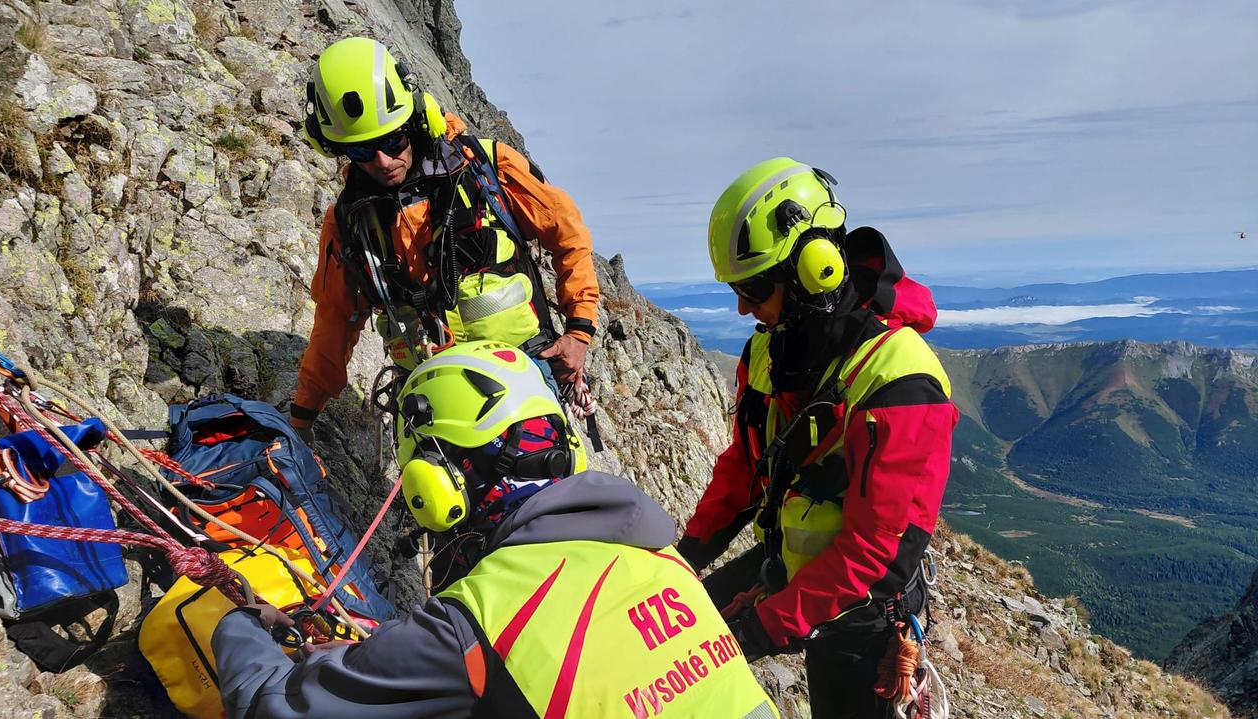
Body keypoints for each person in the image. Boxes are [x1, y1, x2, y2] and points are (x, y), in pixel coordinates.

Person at [212, 342, 780, 719]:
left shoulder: (475, 622)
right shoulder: (660, 558)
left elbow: (273, 708)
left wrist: (238, 624)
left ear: (437, 481)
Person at [674, 158, 958, 718]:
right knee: (680, 634)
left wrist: (756, 630)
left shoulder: (902, 379)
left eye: (754, 288)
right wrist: (684, 558)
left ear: (815, 269)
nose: (742, 307)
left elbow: (876, 558)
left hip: (863, 608)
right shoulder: (770, 350)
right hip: (791, 562)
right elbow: (745, 465)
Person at [288, 37, 600, 444]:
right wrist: (301, 417)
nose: (383, 161)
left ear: (415, 121)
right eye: (362, 150)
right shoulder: (350, 221)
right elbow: (334, 322)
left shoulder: (485, 168)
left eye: (391, 140)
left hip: (521, 377)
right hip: (430, 397)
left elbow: (568, 234)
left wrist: (578, 334)